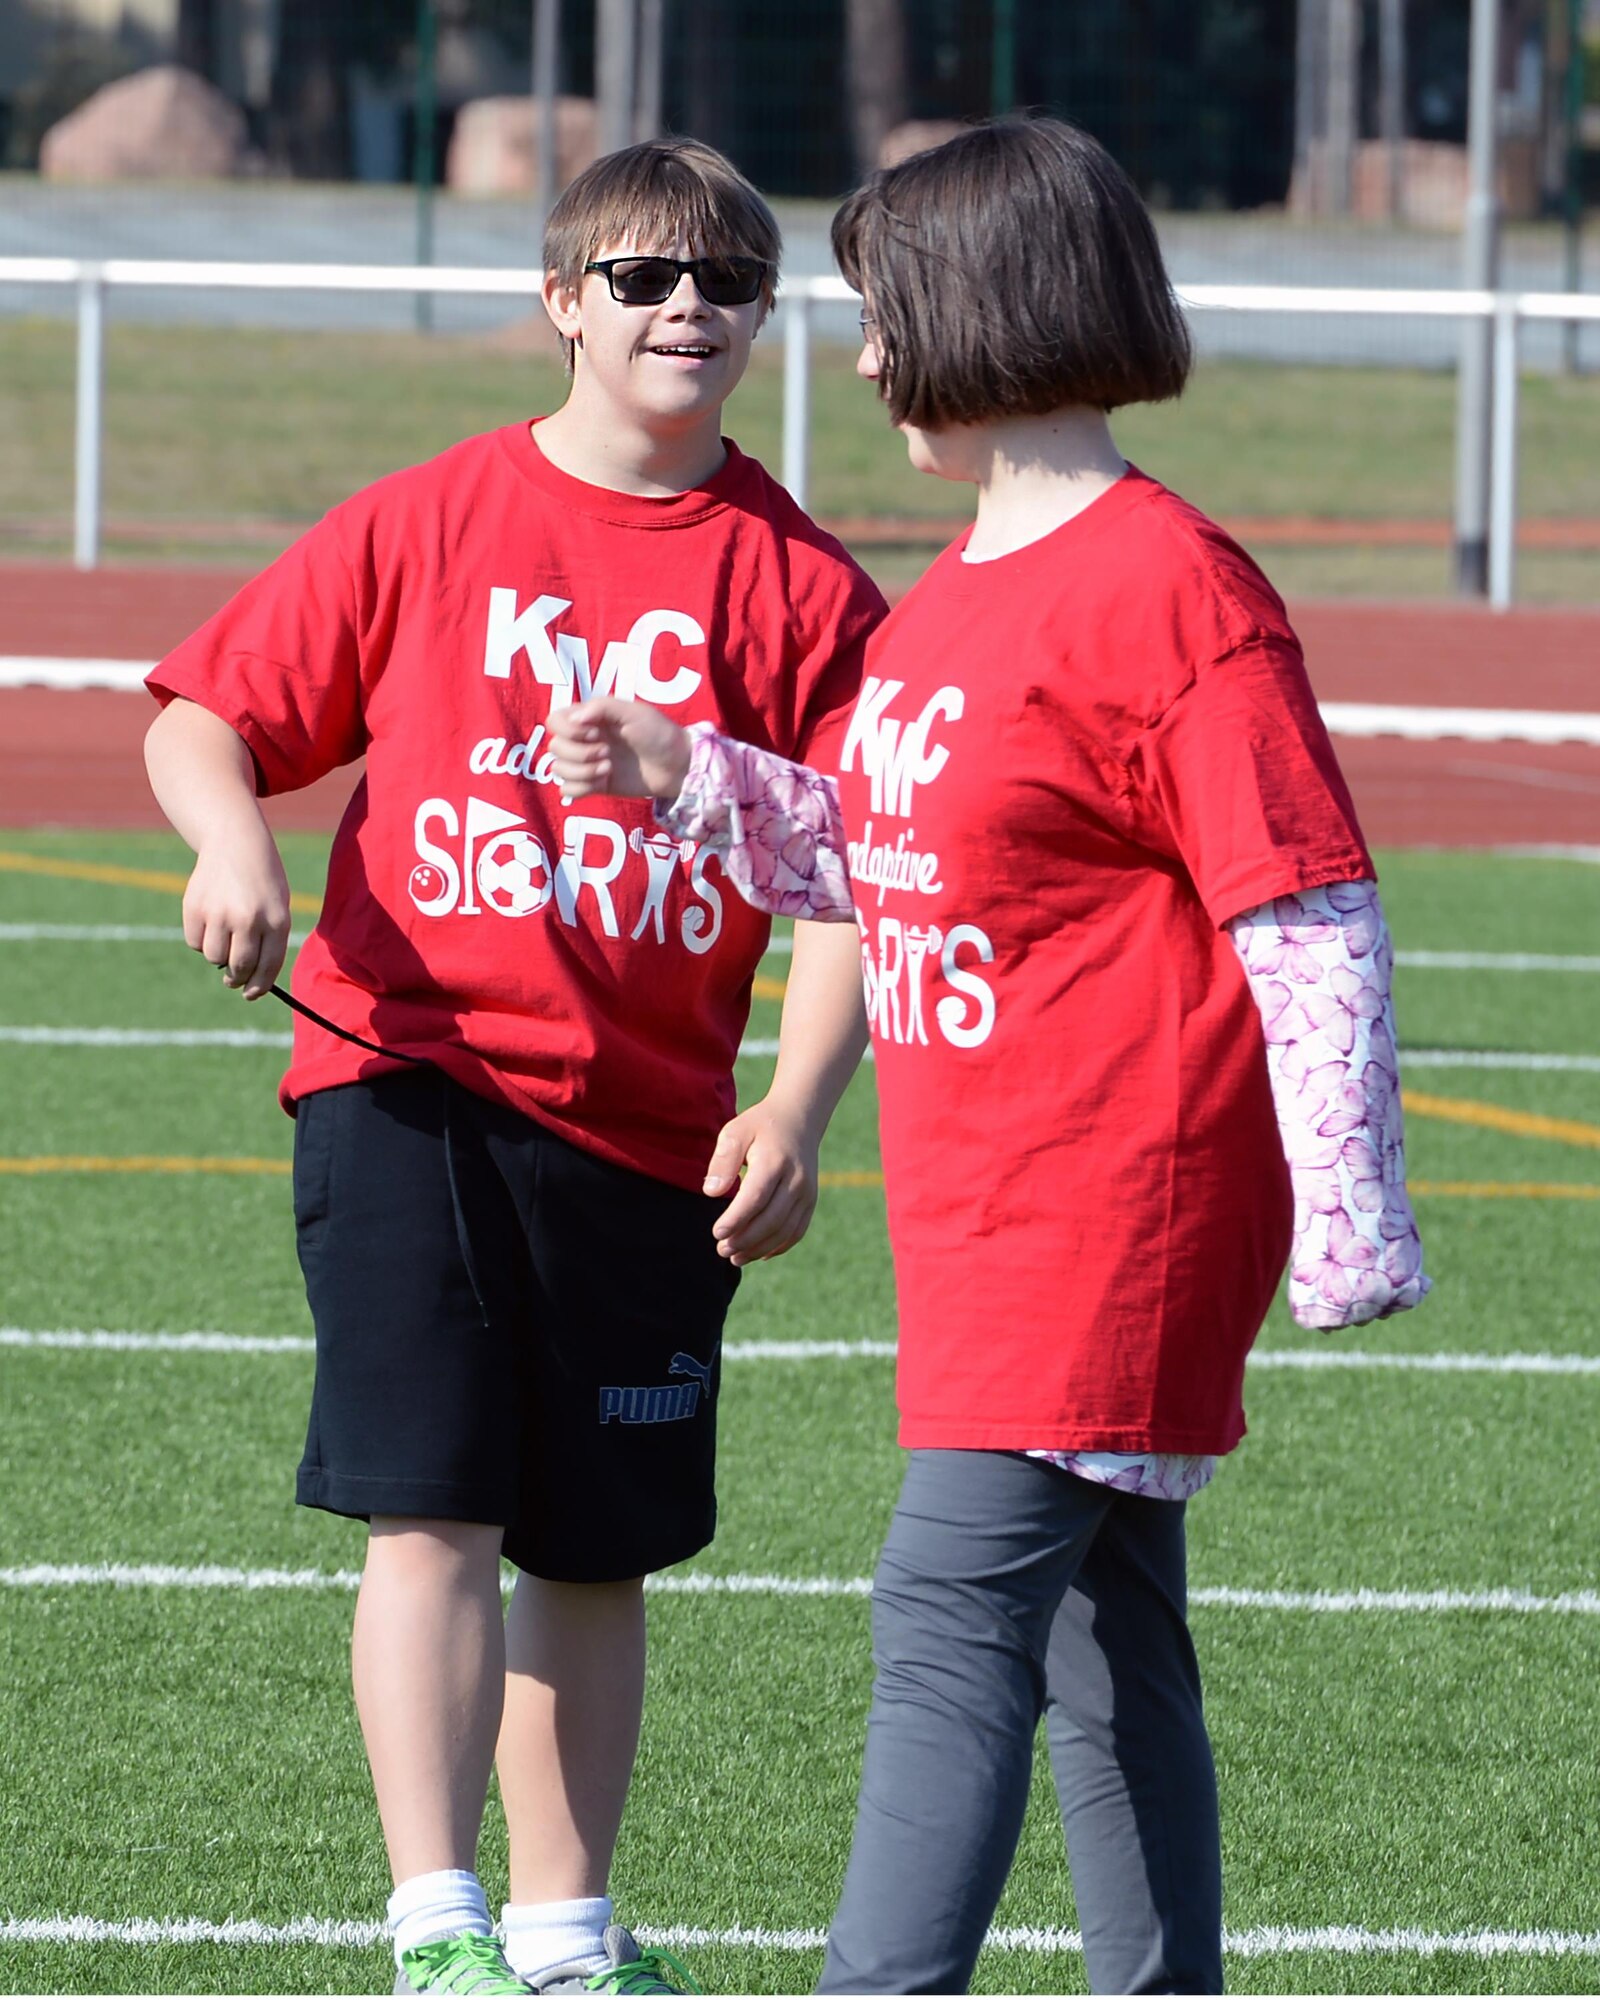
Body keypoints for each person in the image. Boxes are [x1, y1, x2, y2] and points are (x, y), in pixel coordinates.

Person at [547, 118, 1430, 1998]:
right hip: (982, 1214)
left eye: (885, 316)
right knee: (1107, 1647)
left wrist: (1353, 1219)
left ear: (986, 312)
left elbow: (1310, 910)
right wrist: (688, 776)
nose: (860, 361)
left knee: (946, 1620)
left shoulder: (1175, 590)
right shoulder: (945, 600)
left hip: (1113, 1205)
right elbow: (892, 856)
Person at [143, 138, 882, 1997]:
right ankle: (436, 1931)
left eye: (724, 277)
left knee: (600, 1545)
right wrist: (232, 842)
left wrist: (792, 1109)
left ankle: (566, 1941)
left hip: (648, 1136)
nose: (686, 305)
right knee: (437, 1507)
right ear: (564, 304)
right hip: (410, 1080)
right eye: (641, 277)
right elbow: (206, 718)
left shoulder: (803, 585)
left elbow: (870, 875)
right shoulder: (430, 518)